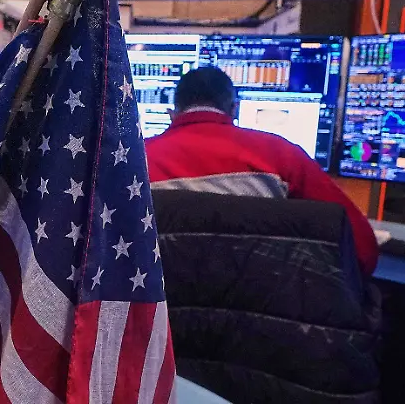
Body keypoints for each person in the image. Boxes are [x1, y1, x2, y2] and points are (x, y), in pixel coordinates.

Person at [144, 66, 379, 274]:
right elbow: (362, 249)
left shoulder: (135, 160)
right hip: (264, 315)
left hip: (159, 318)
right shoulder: (281, 155)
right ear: (234, 109)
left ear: (172, 113)